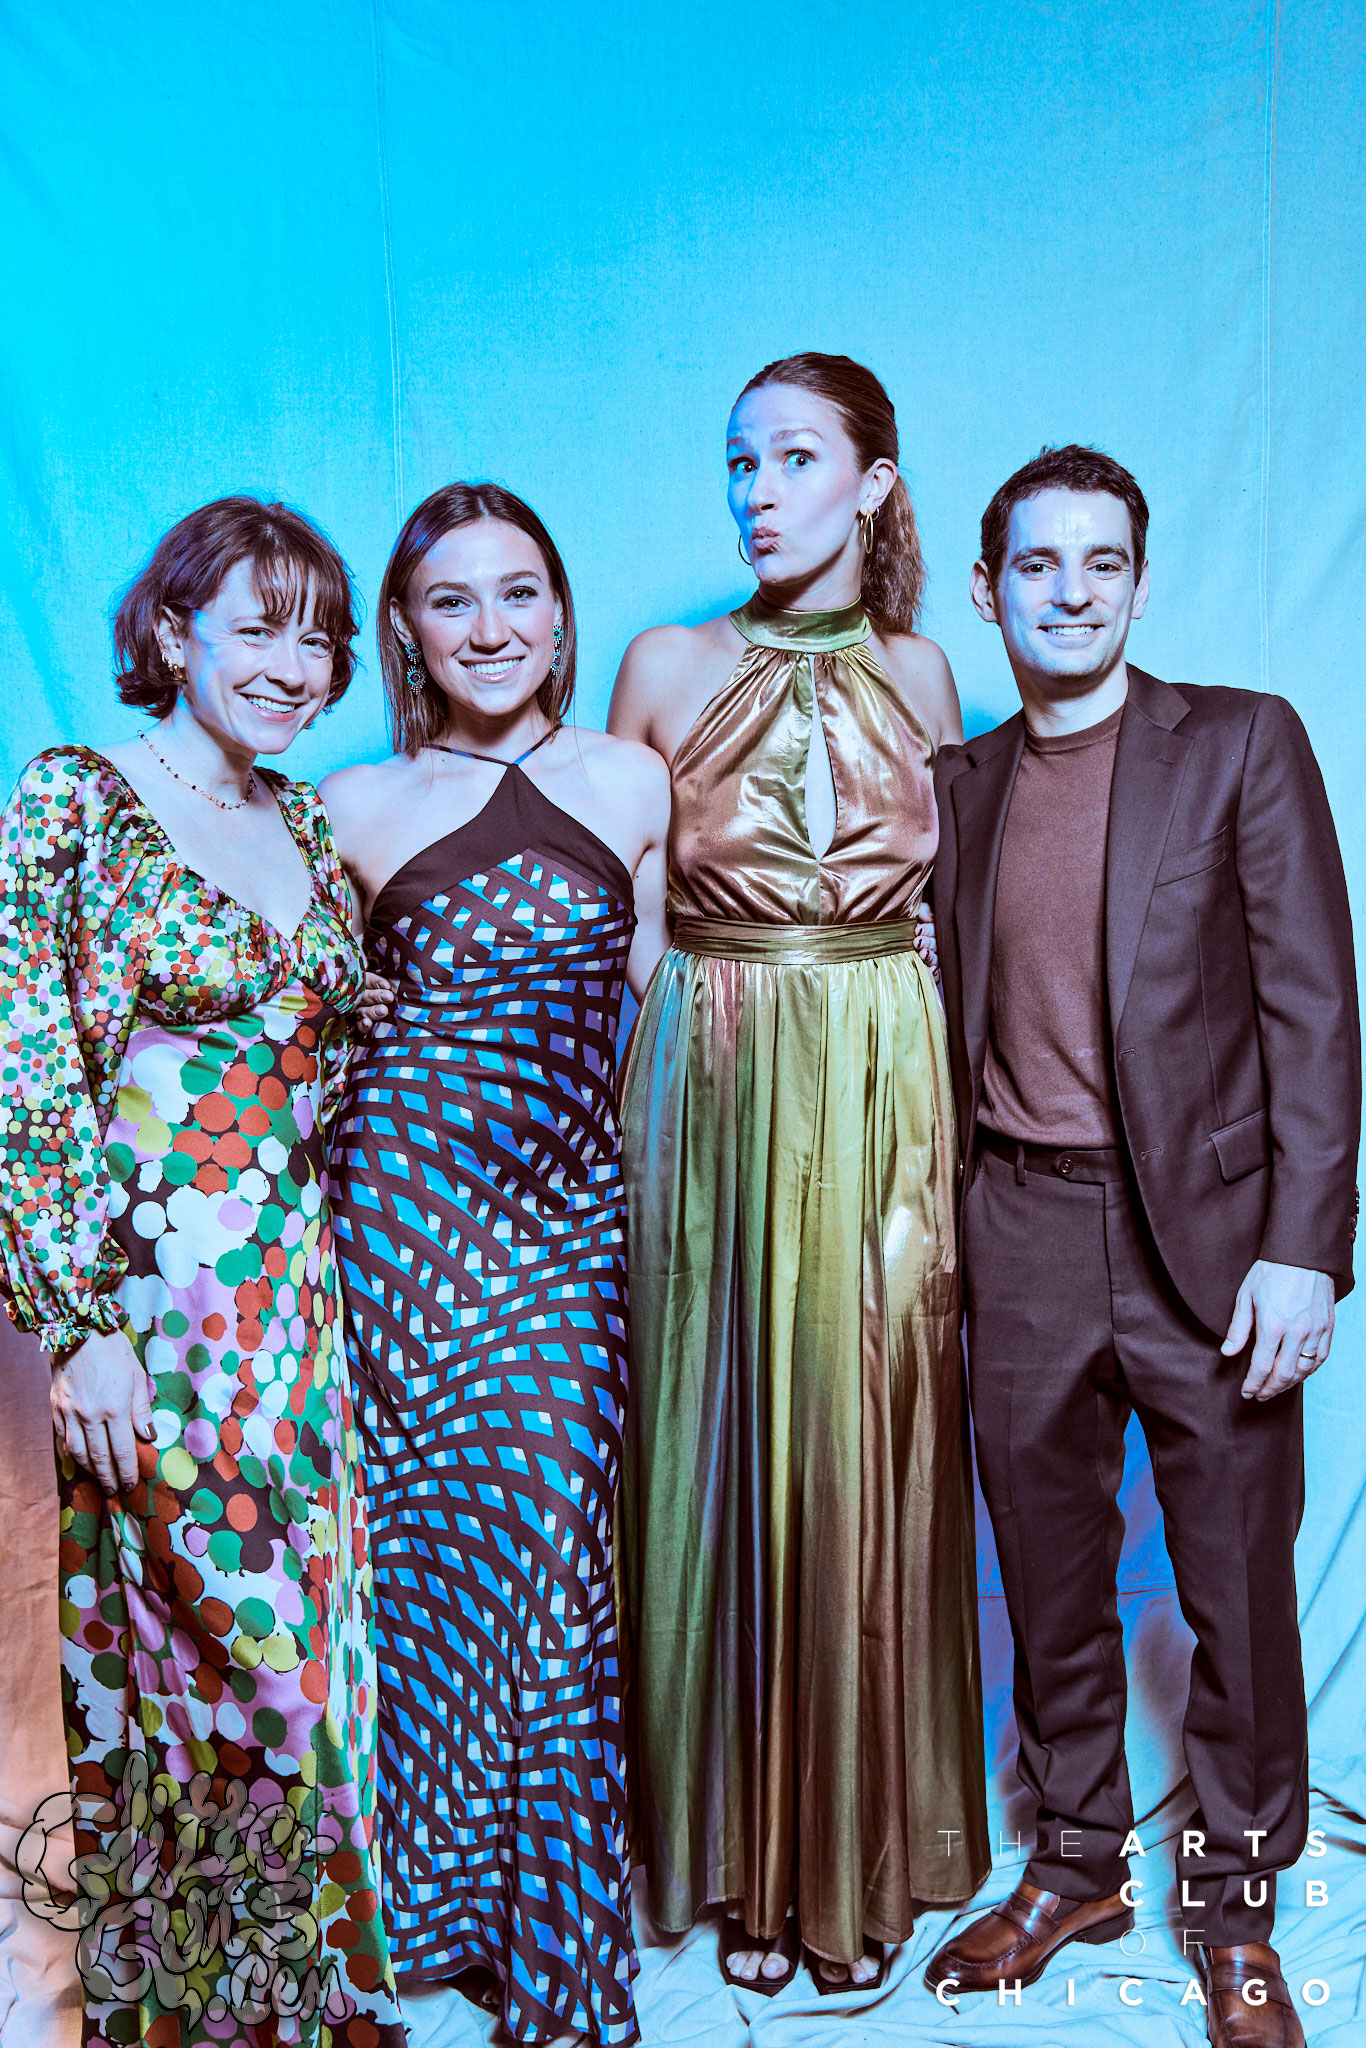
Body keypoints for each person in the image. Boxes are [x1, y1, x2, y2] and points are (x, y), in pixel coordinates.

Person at [923, 446, 1360, 2048]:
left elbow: (1313, 1007)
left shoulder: (1237, 742)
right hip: (1018, 1221)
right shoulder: (960, 785)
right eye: (1037, 564)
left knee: (1235, 1582)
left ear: (1139, 581)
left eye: (1100, 562)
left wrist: (1304, 1246)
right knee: (1046, 1576)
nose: (1070, 592)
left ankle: (1235, 1909)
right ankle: (1074, 1866)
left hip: (1214, 1240)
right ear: (988, 591)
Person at [607, 352, 990, 1996]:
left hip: (886, 1073)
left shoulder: (926, 672)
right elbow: (618, 930)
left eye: (792, 459)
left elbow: (947, 922)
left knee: (862, 1429)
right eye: (737, 463)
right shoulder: (663, 665)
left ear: (874, 481)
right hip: (709, 1075)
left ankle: (849, 1859)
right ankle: (731, 1866)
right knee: (714, 1439)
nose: (757, 494)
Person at [0, 498, 405, 2047]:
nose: (297, 666)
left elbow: (327, 1083)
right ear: (172, 633)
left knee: (297, 1678)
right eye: (259, 629)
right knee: (221, 1675)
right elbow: (29, 1074)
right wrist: (76, 1324)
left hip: (294, 1317)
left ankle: (270, 2011)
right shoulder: (78, 801)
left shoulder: (305, 824)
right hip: (152, 1318)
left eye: (320, 638)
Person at [320, 483, 669, 2048]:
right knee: (422, 1569)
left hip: (569, 1219)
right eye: (450, 600)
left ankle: (557, 1952)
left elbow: (662, 999)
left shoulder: (630, 779)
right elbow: (307, 1023)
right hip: (401, 1223)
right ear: (404, 628)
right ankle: (439, 1914)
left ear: (560, 610)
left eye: (518, 591)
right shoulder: (349, 805)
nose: (490, 627)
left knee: (553, 1563)